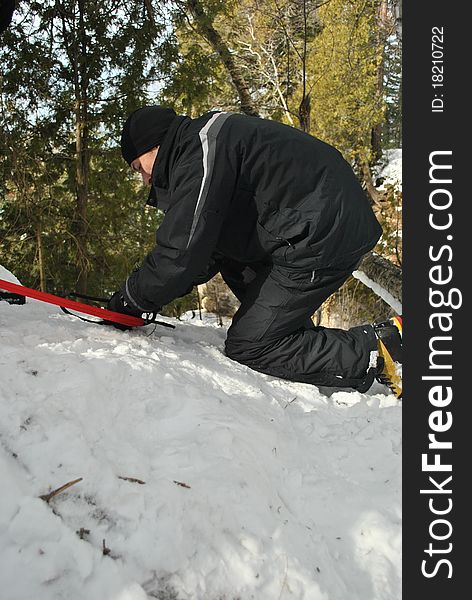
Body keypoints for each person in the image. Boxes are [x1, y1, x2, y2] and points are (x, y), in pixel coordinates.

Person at [108, 106, 402, 398]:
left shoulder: (201, 151)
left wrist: (131, 298)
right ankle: (293, 344)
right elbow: (204, 248)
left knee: (251, 344)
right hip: (309, 224)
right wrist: (152, 295)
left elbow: (180, 251)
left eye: (138, 167)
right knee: (235, 265)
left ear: (155, 144)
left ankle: (382, 349)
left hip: (320, 231)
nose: (145, 179)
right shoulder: (204, 142)